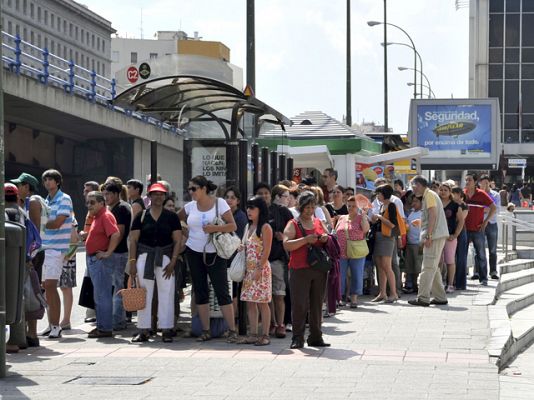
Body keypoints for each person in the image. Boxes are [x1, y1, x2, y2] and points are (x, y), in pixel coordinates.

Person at [178, 176, 238, 343]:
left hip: (215, 252)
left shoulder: (219, 203)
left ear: (204, 188)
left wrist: (214, 228)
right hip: (193, 251)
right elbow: (176, 219)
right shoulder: (190, 206)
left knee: (222, 292)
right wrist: (184, 231)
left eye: (194, 188)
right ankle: (206, 330)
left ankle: (232, 330)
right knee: (200, 291)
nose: (191, 192)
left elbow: (233, 226)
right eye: (189, 189)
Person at [129, 183, 183, 343]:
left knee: (167, 292)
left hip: (166, 256)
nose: (158, 197)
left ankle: (166, 329)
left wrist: (173, 261)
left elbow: (178, 240)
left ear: (165, 196)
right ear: (149, 196)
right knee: (144, 293)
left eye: (161, 194)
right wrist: (132, 261)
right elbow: (133, 240)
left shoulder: (172, 217)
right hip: (145, 256)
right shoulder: (141, 216)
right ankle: (144, 329)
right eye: (155, 194)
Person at [283, 191, 330, 349]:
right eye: (306, 207)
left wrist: (324, 238)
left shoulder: (317, 222)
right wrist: (305, 240)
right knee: (300, 304)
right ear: (300, 207)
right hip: (299, 269)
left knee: (317, 304)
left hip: (318, 269)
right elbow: (287, 244)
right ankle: (297, 337)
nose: (309, 210)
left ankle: (316, 336)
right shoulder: (293, 223)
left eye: (312, 207)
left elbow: (327, 237)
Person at [11, 172, 47, 347]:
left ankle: (32, 333)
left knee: (31, 291)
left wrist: (29, 257)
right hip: (26, 253)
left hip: (32, 253)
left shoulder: (32, 203)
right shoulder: (21, 203)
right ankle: (24, 333)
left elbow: (33, 233)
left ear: (26, 187)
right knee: (25, 292)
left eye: (20, 184)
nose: (17, 188)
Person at [39, 169, 73, 339]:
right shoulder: (45, 200)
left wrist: (40, 223)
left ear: (58, 182)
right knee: (45, 287)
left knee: (51, 286)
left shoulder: (65, 198)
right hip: (44, 248)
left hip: (56, 249)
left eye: (51, 179)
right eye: (45, 180)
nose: (47, 182)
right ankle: (51, 324)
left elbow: (57, 223)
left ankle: (56, 326)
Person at [408, 176, 450, 307]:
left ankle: (423, 298)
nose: (413, 189)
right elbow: (433, 215)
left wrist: (429, 235)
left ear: (419, 185)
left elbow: (433, 214)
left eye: (413, 186)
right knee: (433, 267)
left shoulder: (429, 195)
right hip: (437, 235)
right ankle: (440, 297)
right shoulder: (430, 195)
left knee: (427, 266)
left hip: (435, 236)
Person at [237, 196, 273, 346]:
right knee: (250, 302)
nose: (249, 211)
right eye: (248, 208)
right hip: (249, 269)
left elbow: (266, 250)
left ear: (260, 210)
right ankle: (253, 333)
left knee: (262, 302)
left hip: (261, 269)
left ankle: (264, 335)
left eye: (252, 208)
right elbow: (246, 245)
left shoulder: (265, 227)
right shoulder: (248, 226)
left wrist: (259, 268)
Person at [84, 191, 121, 338]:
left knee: (102, 295)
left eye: (92, 202)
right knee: (99, 295)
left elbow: (115, 234)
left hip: (101, 260)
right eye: (88, 202)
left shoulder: (105, 215)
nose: (89, 205)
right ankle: (101, 326)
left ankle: (105, 328)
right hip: (95, 260)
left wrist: (107, 253)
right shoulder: (97, 216)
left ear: (101, 203)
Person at [103, 180, 132, 330]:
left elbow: (118, 233)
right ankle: (117, 319)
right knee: (114, 286)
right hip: (113, 252)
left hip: (118, 253)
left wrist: (109, 251)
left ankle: (118, 321)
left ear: (116, 194)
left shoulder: (121, 208)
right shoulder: (113, 208)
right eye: (104, 194)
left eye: (108, 194)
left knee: (118, 286)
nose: (106, 197)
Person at [267, 184, 293, 338]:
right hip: (268, 257)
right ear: (277, 196)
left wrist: (282, 237)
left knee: (279, 293)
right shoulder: (267, 211)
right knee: (269, 294)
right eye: (285, 196)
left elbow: (293, 231)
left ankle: (280, 323)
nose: (288, 199)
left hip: (279, 258)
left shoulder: (285, 212)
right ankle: (272, 323)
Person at [335, 196, 370, 308]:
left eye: (353, 206)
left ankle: (354, 298)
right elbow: (335, 232)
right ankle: (339, 297)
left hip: (356, 250)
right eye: (349, 205)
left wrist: (364, 216)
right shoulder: (342, 218)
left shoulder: (361, 218)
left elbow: (365, 230)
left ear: (358, 207)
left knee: (356, 274)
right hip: (341, 251)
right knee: (340, 275)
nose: (350, 208)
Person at [464, 173, 497, 286]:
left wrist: (486, 221)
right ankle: (461, 277)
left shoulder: (481, 194)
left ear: (475, 182)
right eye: (466, 180)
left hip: (478, 229)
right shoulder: (463, 194)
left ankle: (484, 278)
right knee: (462, 254)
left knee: (481, 254)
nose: (467, 182)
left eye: (469, 180)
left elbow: (493, 207)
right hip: (464, 229)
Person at [370, 185, 400, 303]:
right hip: (379, 236)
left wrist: (379, 217)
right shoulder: (382, 205)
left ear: (384, 194)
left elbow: (393, 224)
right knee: (380, 266)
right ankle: (382, 293)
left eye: (379, 193)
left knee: (387, 266)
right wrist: (375, 219)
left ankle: (393, 293)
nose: (378, 196)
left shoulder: (391, 205)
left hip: (387, 238)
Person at [439, 182, 465, 293]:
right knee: (438, 261)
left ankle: (450, 284)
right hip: (438, 236)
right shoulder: (436, 203)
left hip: (450, 236)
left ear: (450, 192)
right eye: (441, 189)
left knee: (450, 261)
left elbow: (461, 221)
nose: (443, 192)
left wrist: (455, 235)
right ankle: (438, 283)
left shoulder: (455, 205)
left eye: (445, 190)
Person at [479, 175, 501, 280]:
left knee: (492, 249)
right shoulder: (478, 195)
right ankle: (478, 272)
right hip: (479, 224)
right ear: (480, 184)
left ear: (490, 183)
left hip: (492, 223)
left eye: (487, 183)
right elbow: (478, 209)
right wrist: (488, 208)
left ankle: (493, 271)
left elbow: (496, 209)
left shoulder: (495, 195)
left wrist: (485, 209)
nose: (485, 185)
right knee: (478, 248)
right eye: (483, 183)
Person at [403, 196, 423, 294]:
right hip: (410, 242)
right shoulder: (412, 212)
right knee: (409, 266)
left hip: (418, 243)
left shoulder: (423, 213)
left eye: (416, 201)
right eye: (413, 201)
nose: (413, 203)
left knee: (417, 266)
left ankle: (417, 285)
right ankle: (411, 285)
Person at [452, 187, 469, 290]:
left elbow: (461, 219)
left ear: (459, 194)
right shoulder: (450, 204)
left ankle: (460, 283)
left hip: (461, 232)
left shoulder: (463, 205)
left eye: (454, 193)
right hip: (450, 231)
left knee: (461, 257)